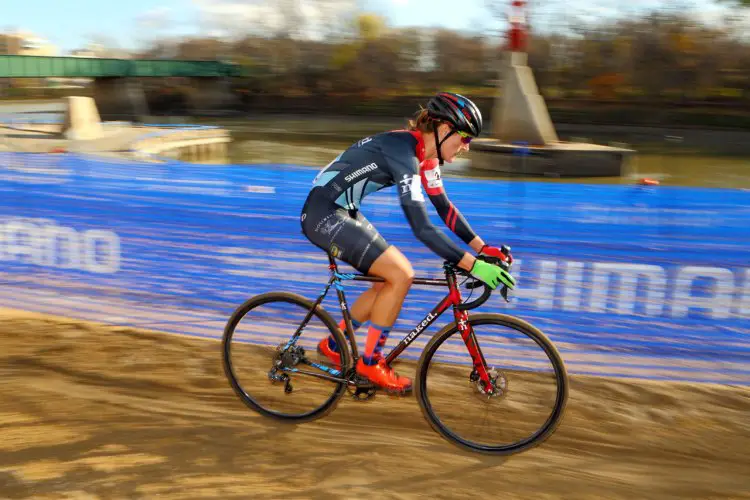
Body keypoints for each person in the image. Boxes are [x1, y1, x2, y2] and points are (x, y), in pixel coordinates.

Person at [299, 92, 516, 394]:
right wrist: (475, 266)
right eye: (464, 137)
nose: (467, 146)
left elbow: (444, 208)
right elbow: (423, 228)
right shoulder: (403, 153)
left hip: (340, 211)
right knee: (401, 274)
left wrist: (481, 247)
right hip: (324, 215)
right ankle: (371, 363)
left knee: (384, 283)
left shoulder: (425, 157)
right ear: (442, 130)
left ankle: (334, 344)